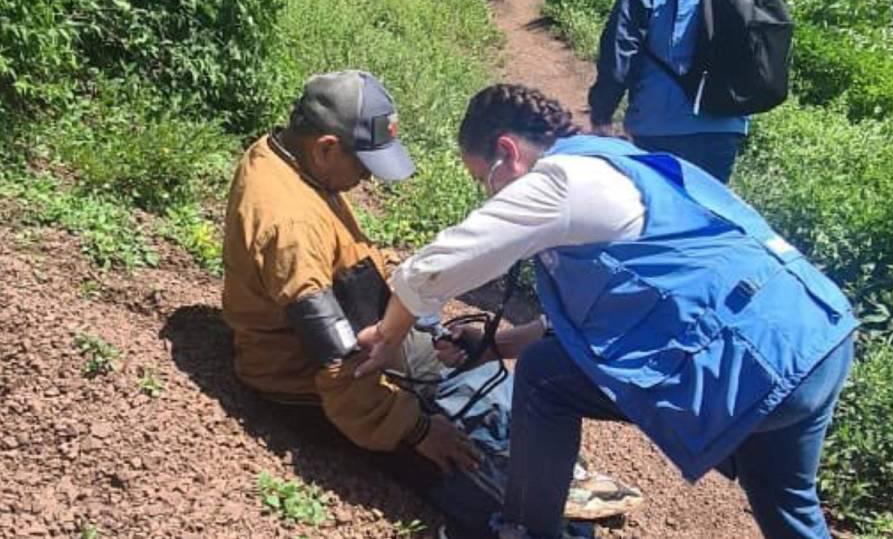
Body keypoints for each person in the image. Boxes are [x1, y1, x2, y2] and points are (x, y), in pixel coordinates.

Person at [356, 83, 857, 539]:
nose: (489, 194)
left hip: (754, 362)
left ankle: (522, 533)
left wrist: (389, 335)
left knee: (544, 379)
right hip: (816, 338)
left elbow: (436, 267)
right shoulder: (617, 162)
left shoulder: (560, 181)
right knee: (786, 503)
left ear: (507, 152)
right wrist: (496, 344)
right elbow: (608, 312)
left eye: (483, 180)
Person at [221, 71, 631, 539]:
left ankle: (547, 471)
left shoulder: (293, 158)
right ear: (328, 147)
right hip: (315, 385)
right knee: (467, 469)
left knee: (478, 374)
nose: (365, 180)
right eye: (364, 166)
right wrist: (416, 431)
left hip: (365, 333)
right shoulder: (290, 225)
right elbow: (340, 366)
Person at [589, 0, 748, 183]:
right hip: (725, 129)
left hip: (659, 129)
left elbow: (617, 58)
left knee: (661, 217)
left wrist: (601, 116)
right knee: (708, 217)